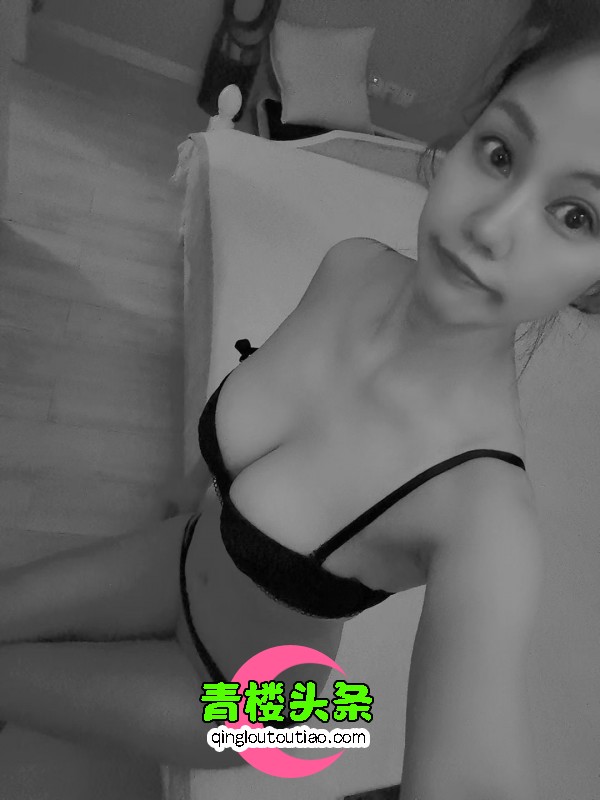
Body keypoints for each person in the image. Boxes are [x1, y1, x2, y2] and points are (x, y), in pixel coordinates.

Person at [1, 4, 599, 797]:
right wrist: (185, 496)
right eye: (499, 153)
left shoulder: (485, 518)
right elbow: (234, 452)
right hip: (180, 555)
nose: (492, 227)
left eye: (576, 216)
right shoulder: (352, 265)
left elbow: (472, 775)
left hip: (267, 706)